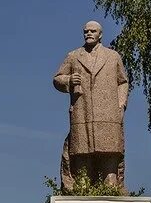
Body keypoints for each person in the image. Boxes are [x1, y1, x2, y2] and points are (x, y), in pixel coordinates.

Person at [53, 21, 129, 192]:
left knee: (109, 154)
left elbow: (122, 82)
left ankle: (112, 190)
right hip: (82, 111)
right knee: (81, 154)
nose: (88, 33)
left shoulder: (113, 56)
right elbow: (57, 78)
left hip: (108, 114)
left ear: (100, 34)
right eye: (86, 31)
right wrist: (69, 80)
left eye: (92, 31)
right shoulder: (74, 56)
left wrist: (121, 105)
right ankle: (80, 189)